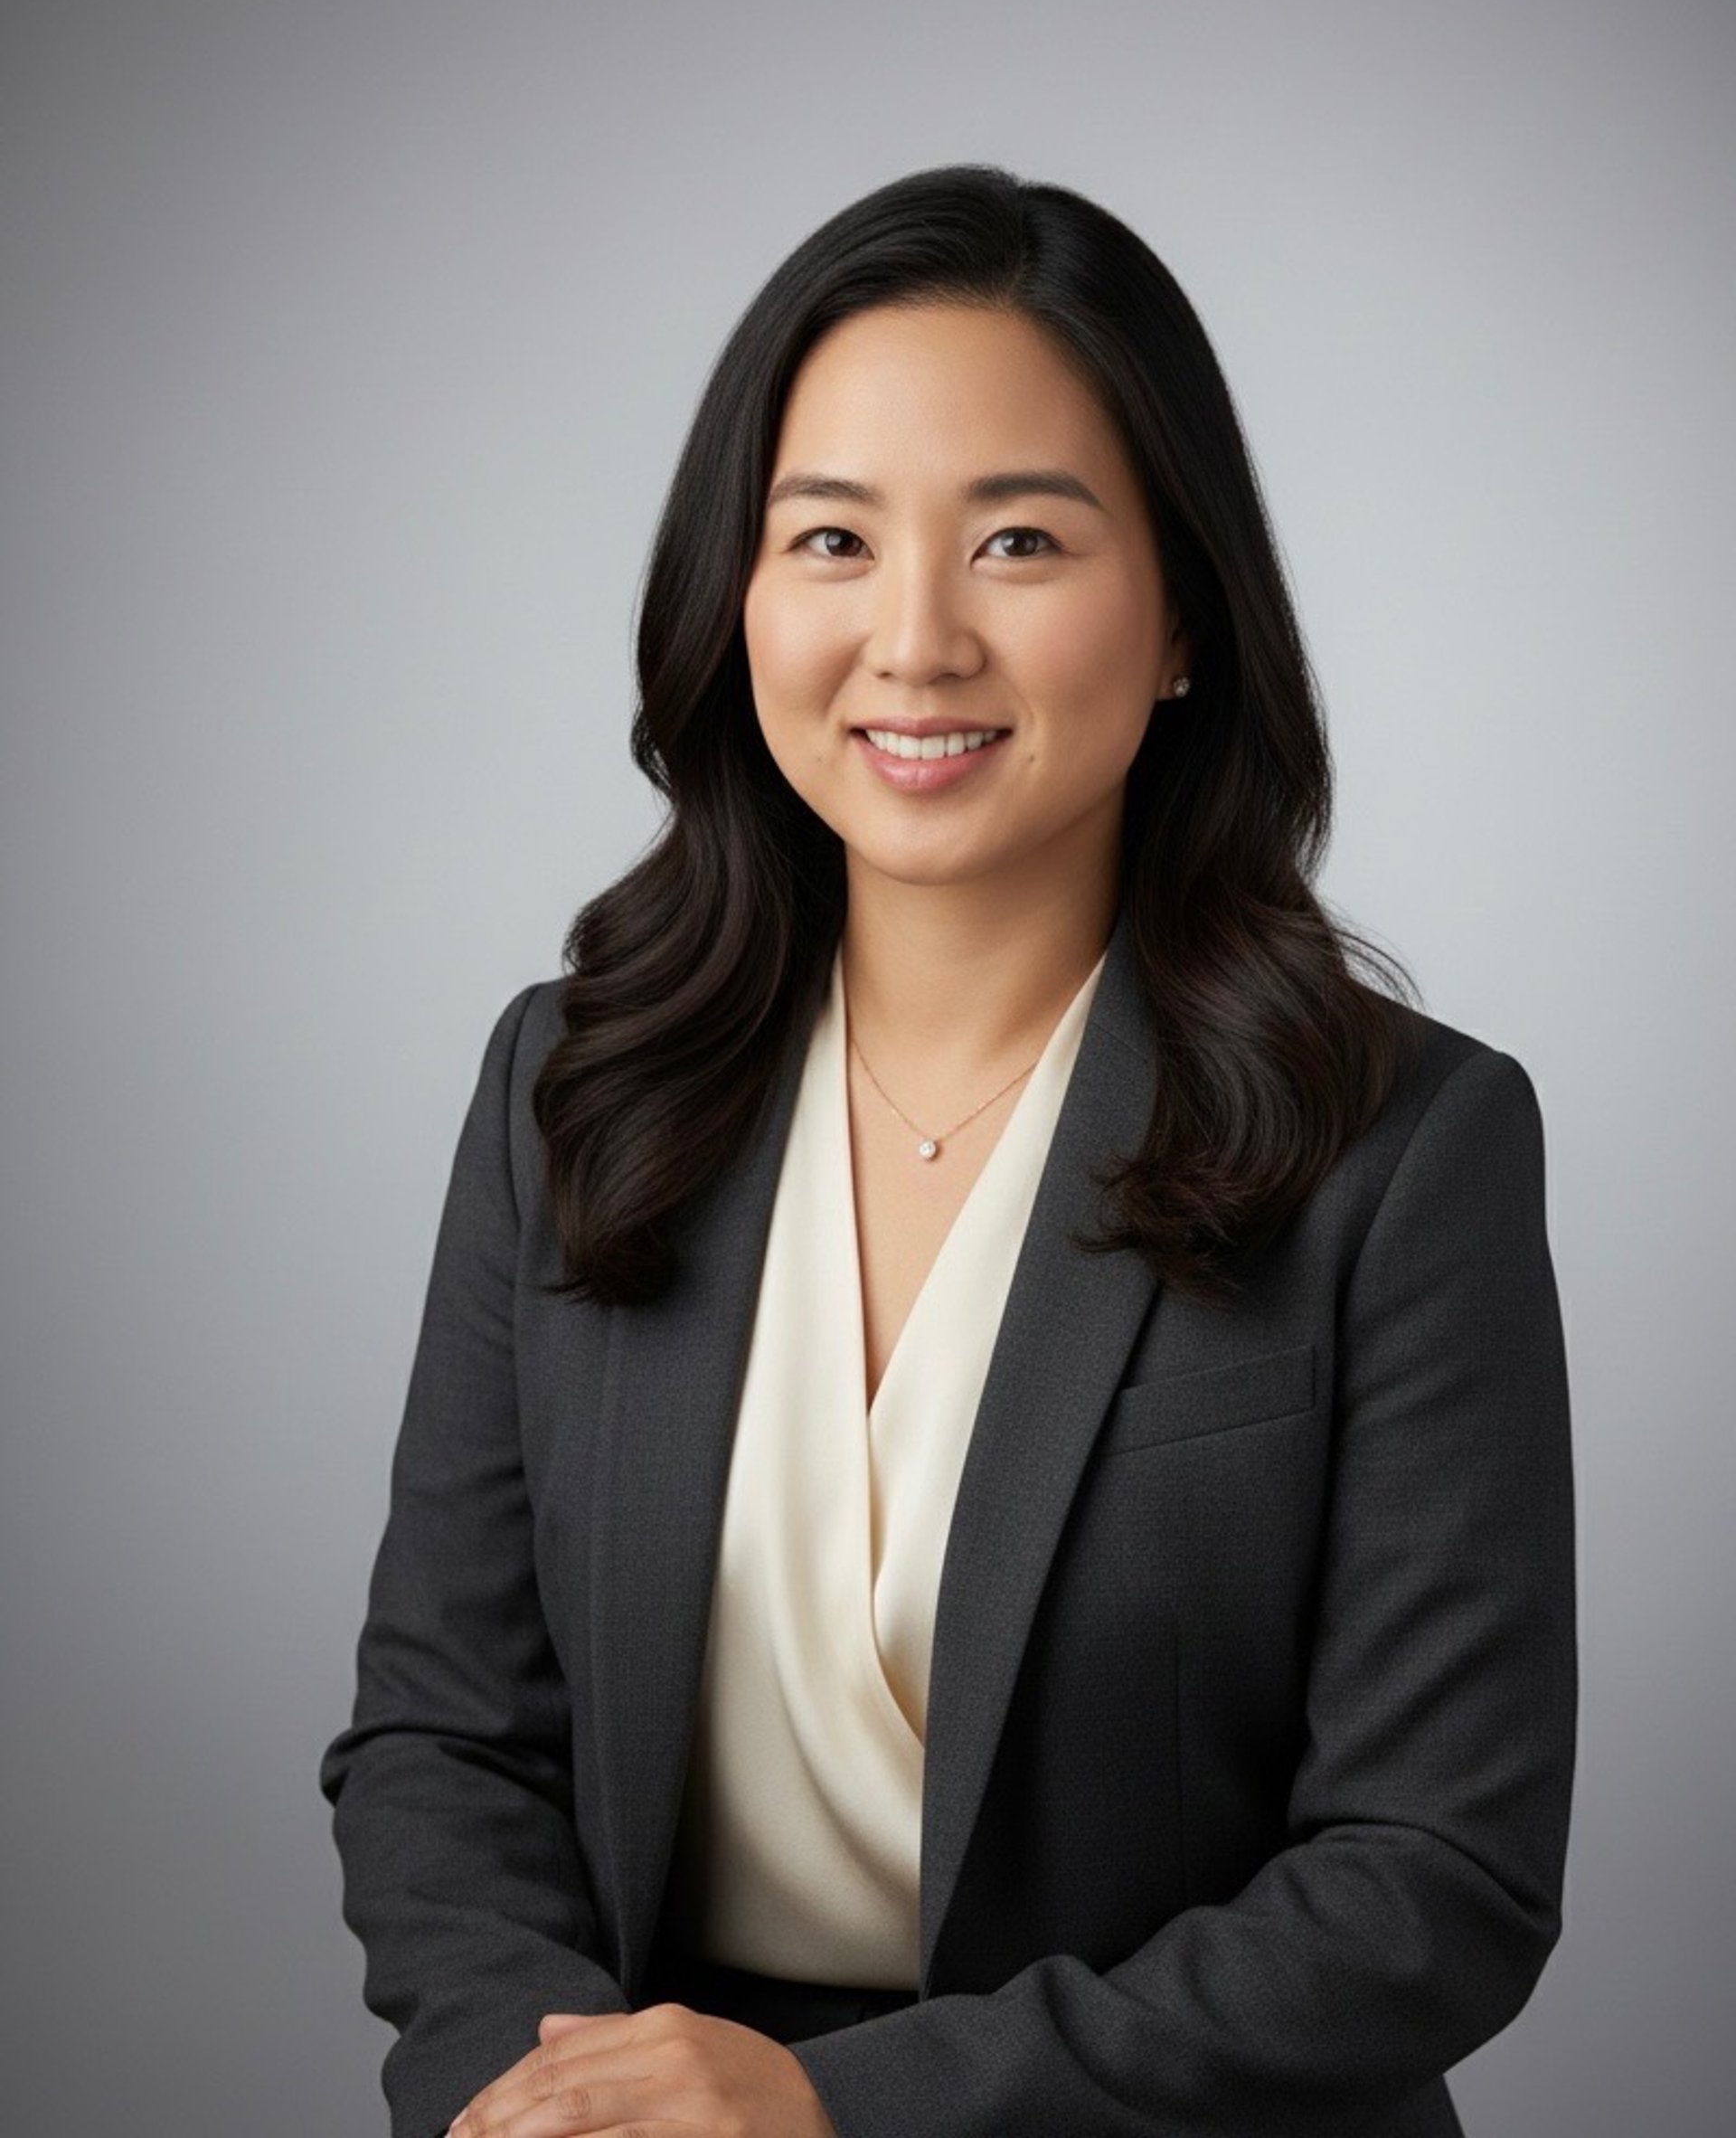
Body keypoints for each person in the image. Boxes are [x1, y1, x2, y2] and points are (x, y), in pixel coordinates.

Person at [317, 163, 1575, 2138]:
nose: (914, 640)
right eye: (830, 537)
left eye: (1017, 542)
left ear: (1182, 622)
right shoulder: (568, 1087)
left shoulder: (1402, 1150)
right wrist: (533, 2099)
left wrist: (840, 2113)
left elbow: (1435, 1878)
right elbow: (442, 1743)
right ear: (738, 601)